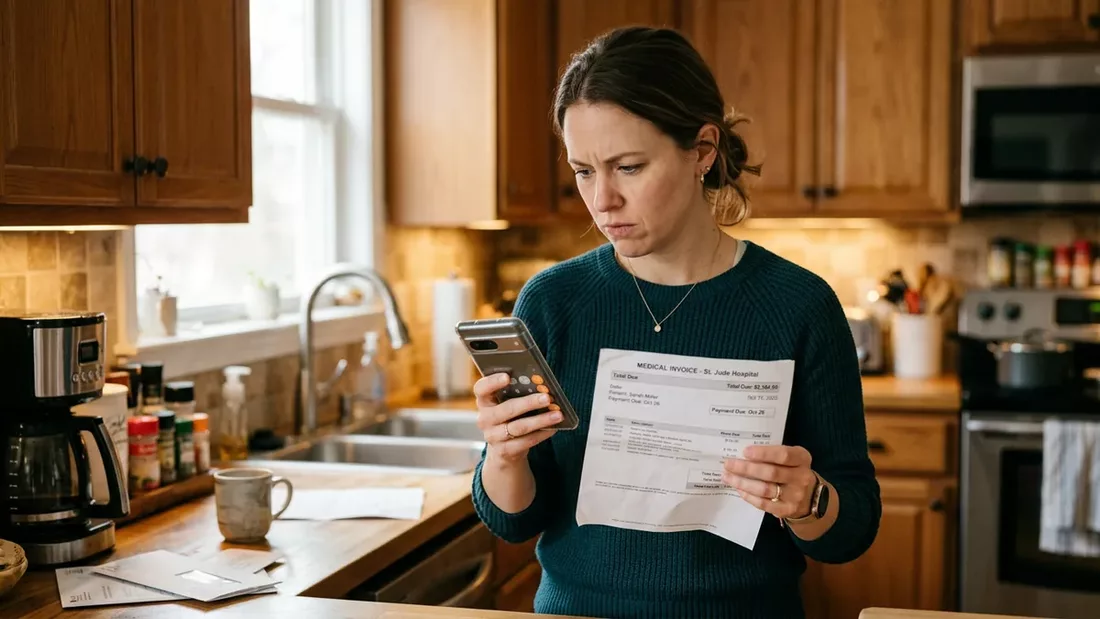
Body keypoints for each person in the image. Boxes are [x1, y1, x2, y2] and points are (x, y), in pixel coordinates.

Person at [470, 25, 880, 619]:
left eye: (629, 167)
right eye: (584, 170)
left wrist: (808, 499)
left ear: (702, 151)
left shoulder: (799, 305)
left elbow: (853, 528)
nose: (602, 199)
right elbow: (514, 522)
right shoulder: (553, 301)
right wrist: (502, 458)